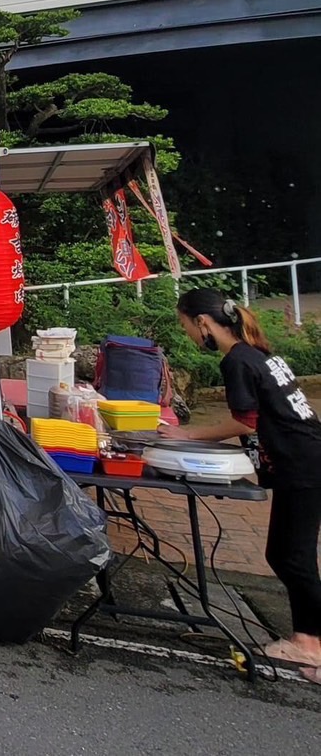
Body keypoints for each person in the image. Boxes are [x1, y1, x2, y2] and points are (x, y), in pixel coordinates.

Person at [167, 289, 321, 680]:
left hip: (302, 464)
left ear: (203, 323)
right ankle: (307, 640)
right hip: (304, 459)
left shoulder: (237, 360)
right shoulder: (256, 353)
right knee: (284, 555)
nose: (187, 334)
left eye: (186, 326)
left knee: (294, 558)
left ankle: (311, 644)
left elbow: (244, 422)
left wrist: (189, 435)